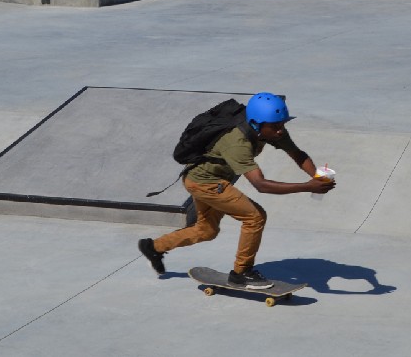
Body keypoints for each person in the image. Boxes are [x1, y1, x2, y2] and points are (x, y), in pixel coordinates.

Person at [137, 93, 336, 289]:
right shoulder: (236, 142)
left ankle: (154, 247)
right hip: (203, 182)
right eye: (275, 127)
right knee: (255, 217)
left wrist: (317, 177)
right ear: (257, 124)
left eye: (283, 124)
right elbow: (261, 185)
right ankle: (242, 273)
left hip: (212, 179)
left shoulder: (272, 128)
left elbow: (298, 154)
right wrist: (306, 187)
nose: (280, 131)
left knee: (206, 231)